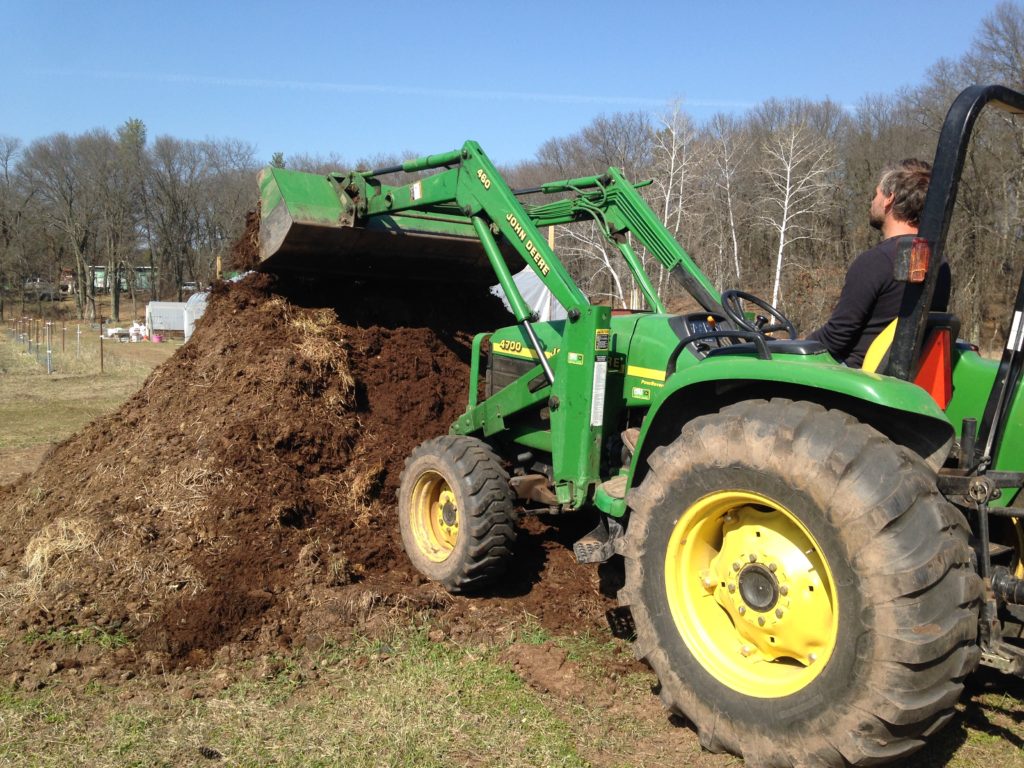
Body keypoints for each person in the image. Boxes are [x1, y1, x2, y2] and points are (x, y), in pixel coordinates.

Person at [808, 159, 950, 368]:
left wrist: (792, 345)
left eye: (876, 194)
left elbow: (835, 339)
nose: (872, 201)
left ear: (889, 199)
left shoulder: (877, 261)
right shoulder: (940, 264)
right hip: (896, 376)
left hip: (854, 374)